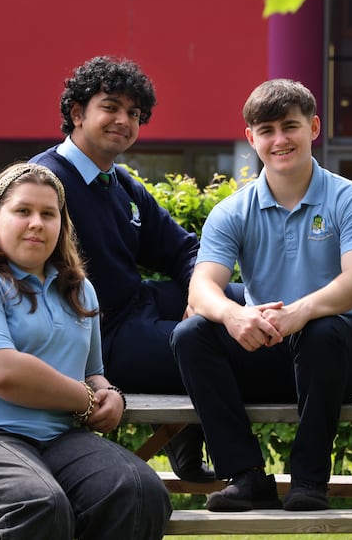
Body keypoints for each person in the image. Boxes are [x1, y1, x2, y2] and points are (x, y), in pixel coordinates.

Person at [0, 163, 171, 540]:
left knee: (137, 492)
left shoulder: (79, 291)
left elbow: (92, 373)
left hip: (52, 441)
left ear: (62, 223)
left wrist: (109, 396)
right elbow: (3, 373)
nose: (36, 223)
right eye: (22, 211)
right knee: (35, 503)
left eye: (48, 213)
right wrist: (86, 400)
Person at [171, 78, 352, 512]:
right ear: (251, 138)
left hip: (346, 357)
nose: (279, 139)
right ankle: (246, 477)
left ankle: (309, 481)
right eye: (266, 130)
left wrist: (301, 313)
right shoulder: (232, 211)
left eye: (290, 126)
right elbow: (202, 285)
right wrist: (235, 317)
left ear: (314, 127)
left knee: (322, 330)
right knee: (191, 334)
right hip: (271, 349)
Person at [31, 55, 225, 482]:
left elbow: (184, 250)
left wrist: (201, 295)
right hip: (103, 339)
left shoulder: (123, 184)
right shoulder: (42, 184)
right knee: (220, 344)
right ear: (77, 113)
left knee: (245, 301)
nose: (124, 120)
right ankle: (212, 451)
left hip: (141, 307)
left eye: (134, 113)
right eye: (111, 107)